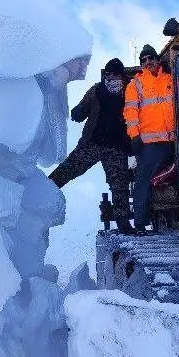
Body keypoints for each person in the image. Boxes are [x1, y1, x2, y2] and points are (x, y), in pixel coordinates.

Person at [48, 58, 135, 234]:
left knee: (119, 184)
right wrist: (78, 112)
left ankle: (123, 220)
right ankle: (44, 191)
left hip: (116, 147)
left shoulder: (130, 91)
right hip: (92, 143)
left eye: (115, 74)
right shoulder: (96, 90)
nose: (111, 78)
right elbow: (82, 109)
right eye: (109, 74)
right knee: (69, 169)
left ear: (122, 75)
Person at [124, 44, 176, 234]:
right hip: (150, 143)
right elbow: (130, 112)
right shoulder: (135, 84)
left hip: (174, 140)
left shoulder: (171, 79)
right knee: (143, 179)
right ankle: (140, 222)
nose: (147, 62)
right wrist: (135, 136)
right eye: (143, 60)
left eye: (150, 58)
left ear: (157, 59)